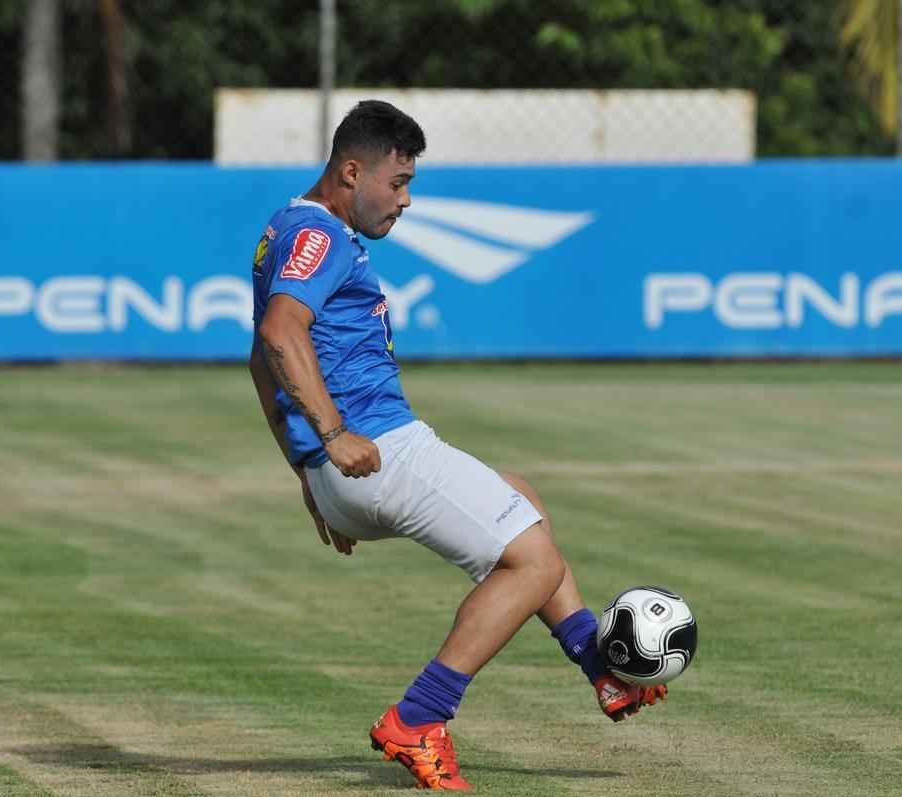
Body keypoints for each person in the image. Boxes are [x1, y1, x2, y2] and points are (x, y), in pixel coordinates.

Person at [247, 99, 666, 791]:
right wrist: (330, 436)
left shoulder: (283, 229)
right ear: (352, 171)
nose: (405, 201)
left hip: (344, 472)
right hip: (376, 452)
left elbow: (260, 359)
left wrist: (307, 469)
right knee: (530, 558)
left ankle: (602, 669)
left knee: (521, 501)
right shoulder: (317, 236)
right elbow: (279, 335)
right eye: (398, 181)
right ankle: (419, 717)